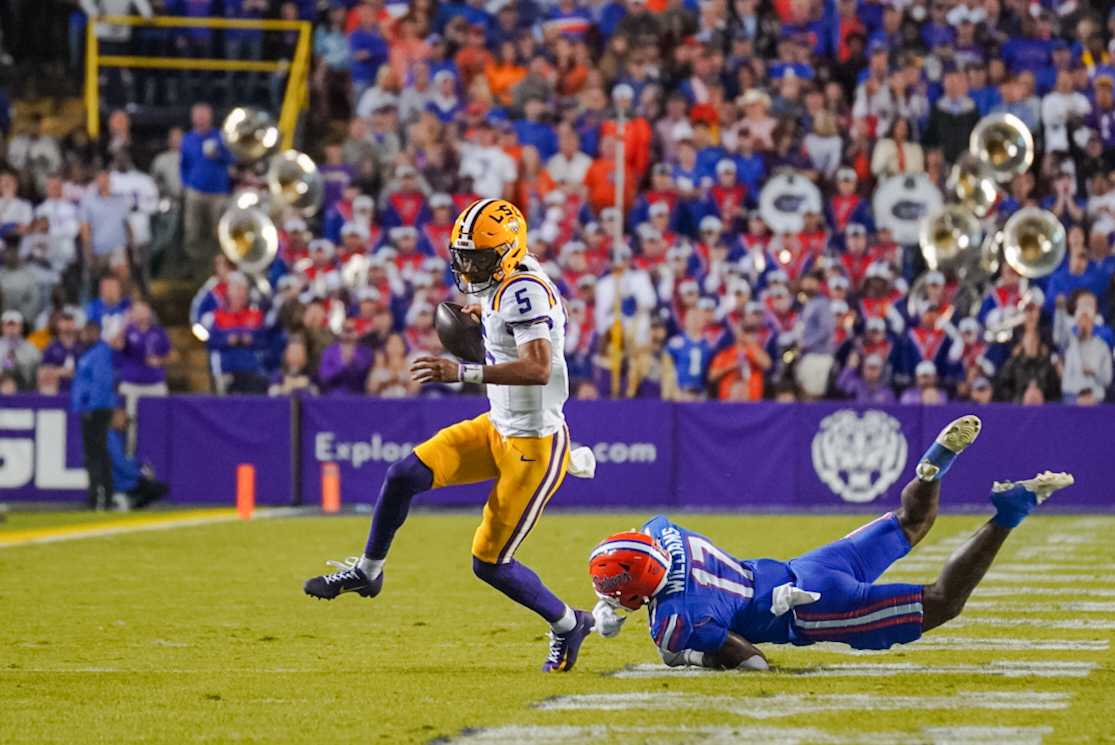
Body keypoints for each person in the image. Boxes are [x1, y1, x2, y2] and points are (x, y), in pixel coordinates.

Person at [304, 199, 598, 672]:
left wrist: (460, 370)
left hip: (535, 446)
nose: (466, 266)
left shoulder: (523, 289)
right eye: (463, 255)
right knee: (403, 475)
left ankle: (568, 624)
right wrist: (481, 319)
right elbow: (505, 316)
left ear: (506, 253)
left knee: (489, 563)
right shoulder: (507, 277)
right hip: (496, 426)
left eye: (477, 258)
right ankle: (368, 572)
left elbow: (539, 367)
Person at [588, 416, 1074, 667]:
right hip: (808, 565)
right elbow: (650, 568)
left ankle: (1009, 515)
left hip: (813, 606)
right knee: (911, 521)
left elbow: (753, 663)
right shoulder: (661, 531)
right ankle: (933, 464)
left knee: (941, 603)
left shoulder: (676, 621)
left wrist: (691, 656)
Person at [180, 103, 233, 280]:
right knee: (193, 232)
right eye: (198, 115)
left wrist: (219, 154)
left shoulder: (221, 137)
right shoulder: (187, 139)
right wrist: (187, 184)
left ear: (210, 117)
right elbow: (184, 165)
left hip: (218, 193)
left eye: (204, 115)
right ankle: (197, 270)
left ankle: (217, 271)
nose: (201, 119)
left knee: (217, 233)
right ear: (193, 118)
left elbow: (233, 158)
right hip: (195, 192)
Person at [71, 321, 118, 510]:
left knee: (96, 454)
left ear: (95, 333)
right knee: (96, 453)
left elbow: (101, 382)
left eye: (87, 332)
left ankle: (100, 497)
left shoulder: (99, 353)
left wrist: (91, 405)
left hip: (97, 409)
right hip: (92, 407)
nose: (84, 336)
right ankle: (100, 496)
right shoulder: (91, 353)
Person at [107, 408, 168, 509]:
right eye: (124, 420)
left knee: (159, 487)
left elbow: (124, 461)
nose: (126, 424)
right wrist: (139, 473)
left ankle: (132, 505)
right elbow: (120, 464)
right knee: (157, 488)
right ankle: (132, 506)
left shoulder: (116, 437)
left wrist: (138, 464)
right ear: (115, 419)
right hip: (121, 482)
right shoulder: (110, 438)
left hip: (125, 479)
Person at [0, 309, 40, 389]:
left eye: (14, 325)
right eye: (8, 325)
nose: (11, 328)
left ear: (21, 327)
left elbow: (37, 372)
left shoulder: (31, 348)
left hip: (26, 387)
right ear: (2, 327)